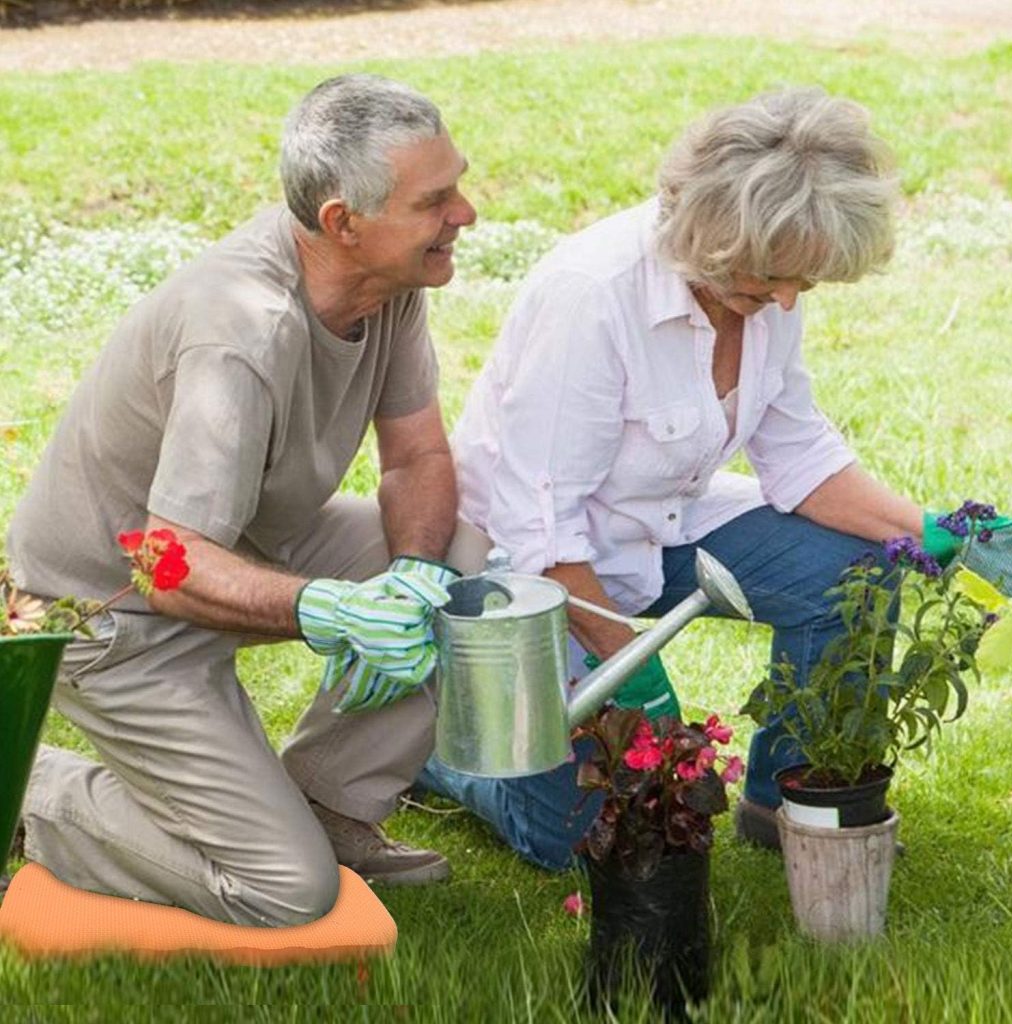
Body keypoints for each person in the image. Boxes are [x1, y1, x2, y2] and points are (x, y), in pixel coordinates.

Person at [5, 73, 481, 926]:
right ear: (343, 221)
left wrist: (409, 576)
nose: (466, 215)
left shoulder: (389, 284)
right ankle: (32, 794)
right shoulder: (242, 332)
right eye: (436, 199)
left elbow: (418, 455)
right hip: (115, 612)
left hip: (241, 544)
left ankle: (330, 805)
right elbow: (165, 565)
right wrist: (328, 607)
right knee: (284, 890)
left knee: (464, 559)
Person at [417, 86, 927, 866]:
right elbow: (540, 531)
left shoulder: (763, 282)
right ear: (713, 236)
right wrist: (637, 676)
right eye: (771, 279)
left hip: (660, 529)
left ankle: (788, 797)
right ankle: (442, 754)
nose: (787, 300)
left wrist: (937, 534)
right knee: (585, 837)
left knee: (858, 570)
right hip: (533, 575)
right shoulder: (593, 296)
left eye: (804, 284)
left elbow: (801, 456)